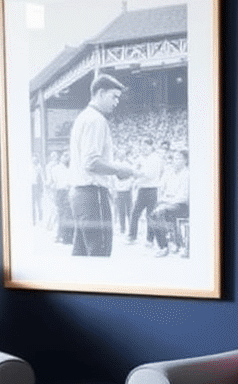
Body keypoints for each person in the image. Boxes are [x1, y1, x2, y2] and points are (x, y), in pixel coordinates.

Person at [68, 74, 136, 257]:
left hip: (80, 194)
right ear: (100, 93)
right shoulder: (96, 119)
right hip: (93, 194)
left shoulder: (84, 117)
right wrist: (119, 170)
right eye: (114, 96)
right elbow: (91, 162)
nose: (116, 102)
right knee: (100, 254)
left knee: (81, 254)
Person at [147, 147, 190, 256]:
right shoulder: (169, 172)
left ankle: (171, 244)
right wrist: (163, 200)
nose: (175, 160)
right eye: (174, 158)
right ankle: (164, 246)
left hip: (182, 206)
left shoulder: (187, 174)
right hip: (168, 202)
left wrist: (166, 201)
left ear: (185, 160)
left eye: (179, 158)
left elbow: (183, 197)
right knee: (152, 214)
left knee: (160, 211)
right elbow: (161, 188)